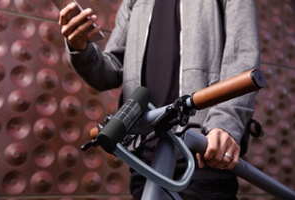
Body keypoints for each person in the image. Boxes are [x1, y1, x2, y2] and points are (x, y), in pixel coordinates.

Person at [58, 0, 260, 199]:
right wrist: (80, 47)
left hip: (203, 149)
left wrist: (225, 123)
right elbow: (108, 72)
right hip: (144, 155)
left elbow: (241, 57)